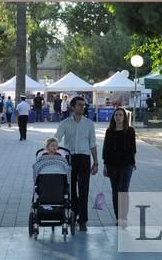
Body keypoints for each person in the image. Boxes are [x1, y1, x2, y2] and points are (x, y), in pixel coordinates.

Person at [55, 96, 99, 231]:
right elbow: (56, 138)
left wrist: (95, 162)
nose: (82, 107)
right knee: (71, 189)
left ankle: (83, 220)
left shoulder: (89, 123)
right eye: (79, 105)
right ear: (72, 107)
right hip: (70, 158)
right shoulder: (65, 123)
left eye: (83, 105)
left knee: (84, 189)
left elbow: (92, 144)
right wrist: (50, 149)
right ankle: (73, 215)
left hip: (85, 158)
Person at [102, 108, 137, 227]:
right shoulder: (109, 131)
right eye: (116, 115)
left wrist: (132, 162)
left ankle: (124, 217)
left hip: (126, 165)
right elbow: (106, 149)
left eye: (120, 115)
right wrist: (105, 165)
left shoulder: (130, 131)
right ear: (113, 117)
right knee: (115, 191)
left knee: (123, 191)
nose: (118, 117)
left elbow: (133, 148)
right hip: (112, 165)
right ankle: (118, 217)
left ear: (124, 117)